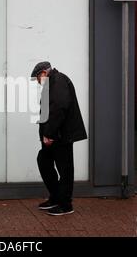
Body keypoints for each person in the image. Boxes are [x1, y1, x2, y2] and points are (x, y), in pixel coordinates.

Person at [31, 61, 87, 216]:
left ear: (43, 73)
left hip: (61, 136)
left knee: (65, 169)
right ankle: (56, 197)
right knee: (43, 161)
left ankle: (66, 205)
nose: (37, 81)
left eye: (37, 78)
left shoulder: (59, 81)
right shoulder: (52, 82)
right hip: (54, 136)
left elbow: (58, 109)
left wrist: (49, 133)